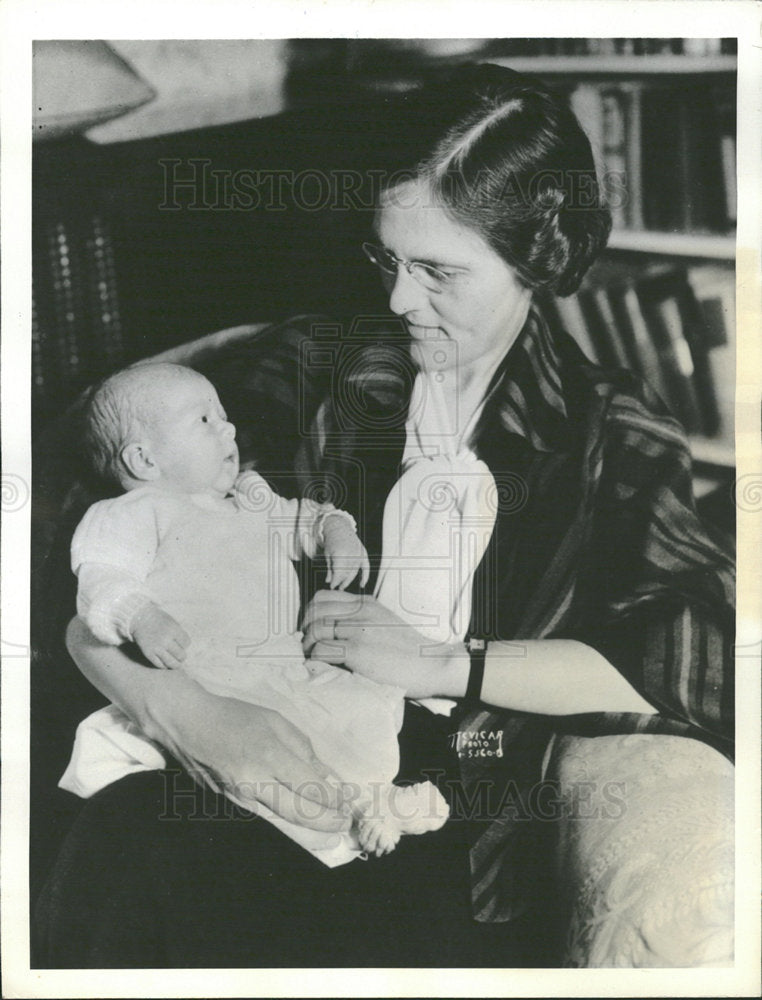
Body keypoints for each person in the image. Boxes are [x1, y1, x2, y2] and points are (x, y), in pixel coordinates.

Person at [34, 63, 734, 968]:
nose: (400, 300)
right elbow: (97, 578)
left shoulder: (606, 432)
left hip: (431, 814)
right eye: (387, 260)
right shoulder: (316, 367)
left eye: (439, 271)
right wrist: (181, 712)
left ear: (537, 257)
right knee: (126, 841)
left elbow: (691, 658)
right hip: (226, 734)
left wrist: (440, 660)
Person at [59, 361, 449, 863]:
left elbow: (305, 520)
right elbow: (100, 580)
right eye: (204, 420)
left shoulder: (249, 501)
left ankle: (372, 801)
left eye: (223, 414)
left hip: (281, 668)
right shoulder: (135, 513)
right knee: (266, 766)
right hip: (209, 677)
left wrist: (336, 533)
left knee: (356, 717)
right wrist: (139, 616)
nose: (229, 427)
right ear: (143, 460)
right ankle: (346, 823)